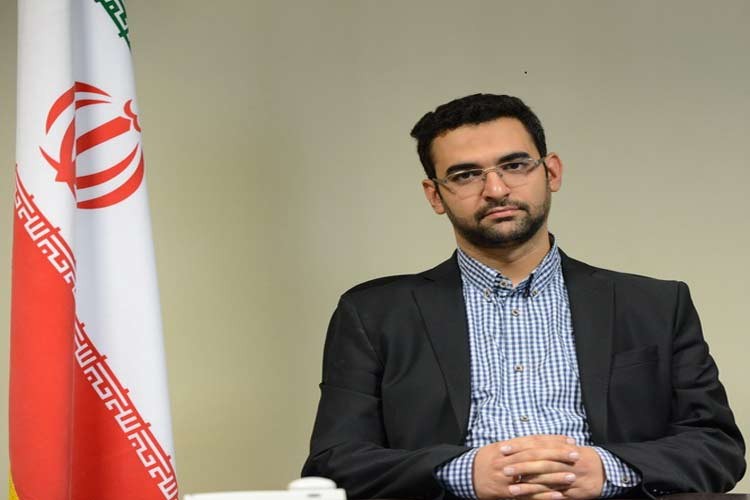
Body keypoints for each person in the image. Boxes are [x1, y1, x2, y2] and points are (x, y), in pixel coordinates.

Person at [301, 94, 745, 500]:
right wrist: (464, 472)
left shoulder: (655, 305)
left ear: (551, 172)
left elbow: (717, 446)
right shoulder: (373, 314)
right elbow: (335, 461)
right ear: (435, 195)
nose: (495, 190)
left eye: (514, 166)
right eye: (466, 175)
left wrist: (605, 469)